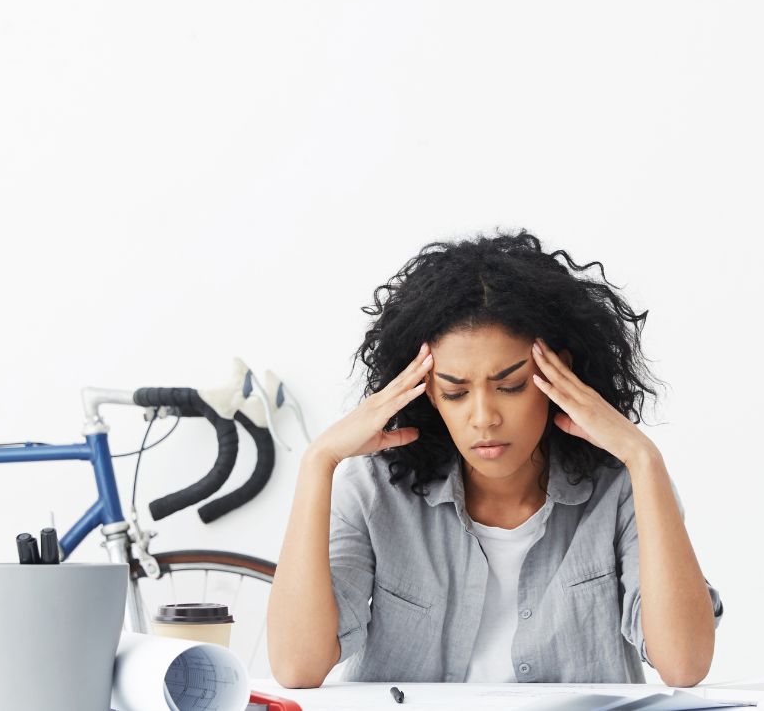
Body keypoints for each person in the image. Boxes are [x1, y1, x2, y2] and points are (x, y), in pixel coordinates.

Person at [266, 229, 723, 688]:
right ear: (426, 392)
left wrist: (644, 459)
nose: (484, 418)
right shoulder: (375, 489)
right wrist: (318, 462)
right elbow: (297, 666)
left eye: (510, 386)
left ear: (556, 373)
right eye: (455, 392)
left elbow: (683, 664)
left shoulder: (620, 485)